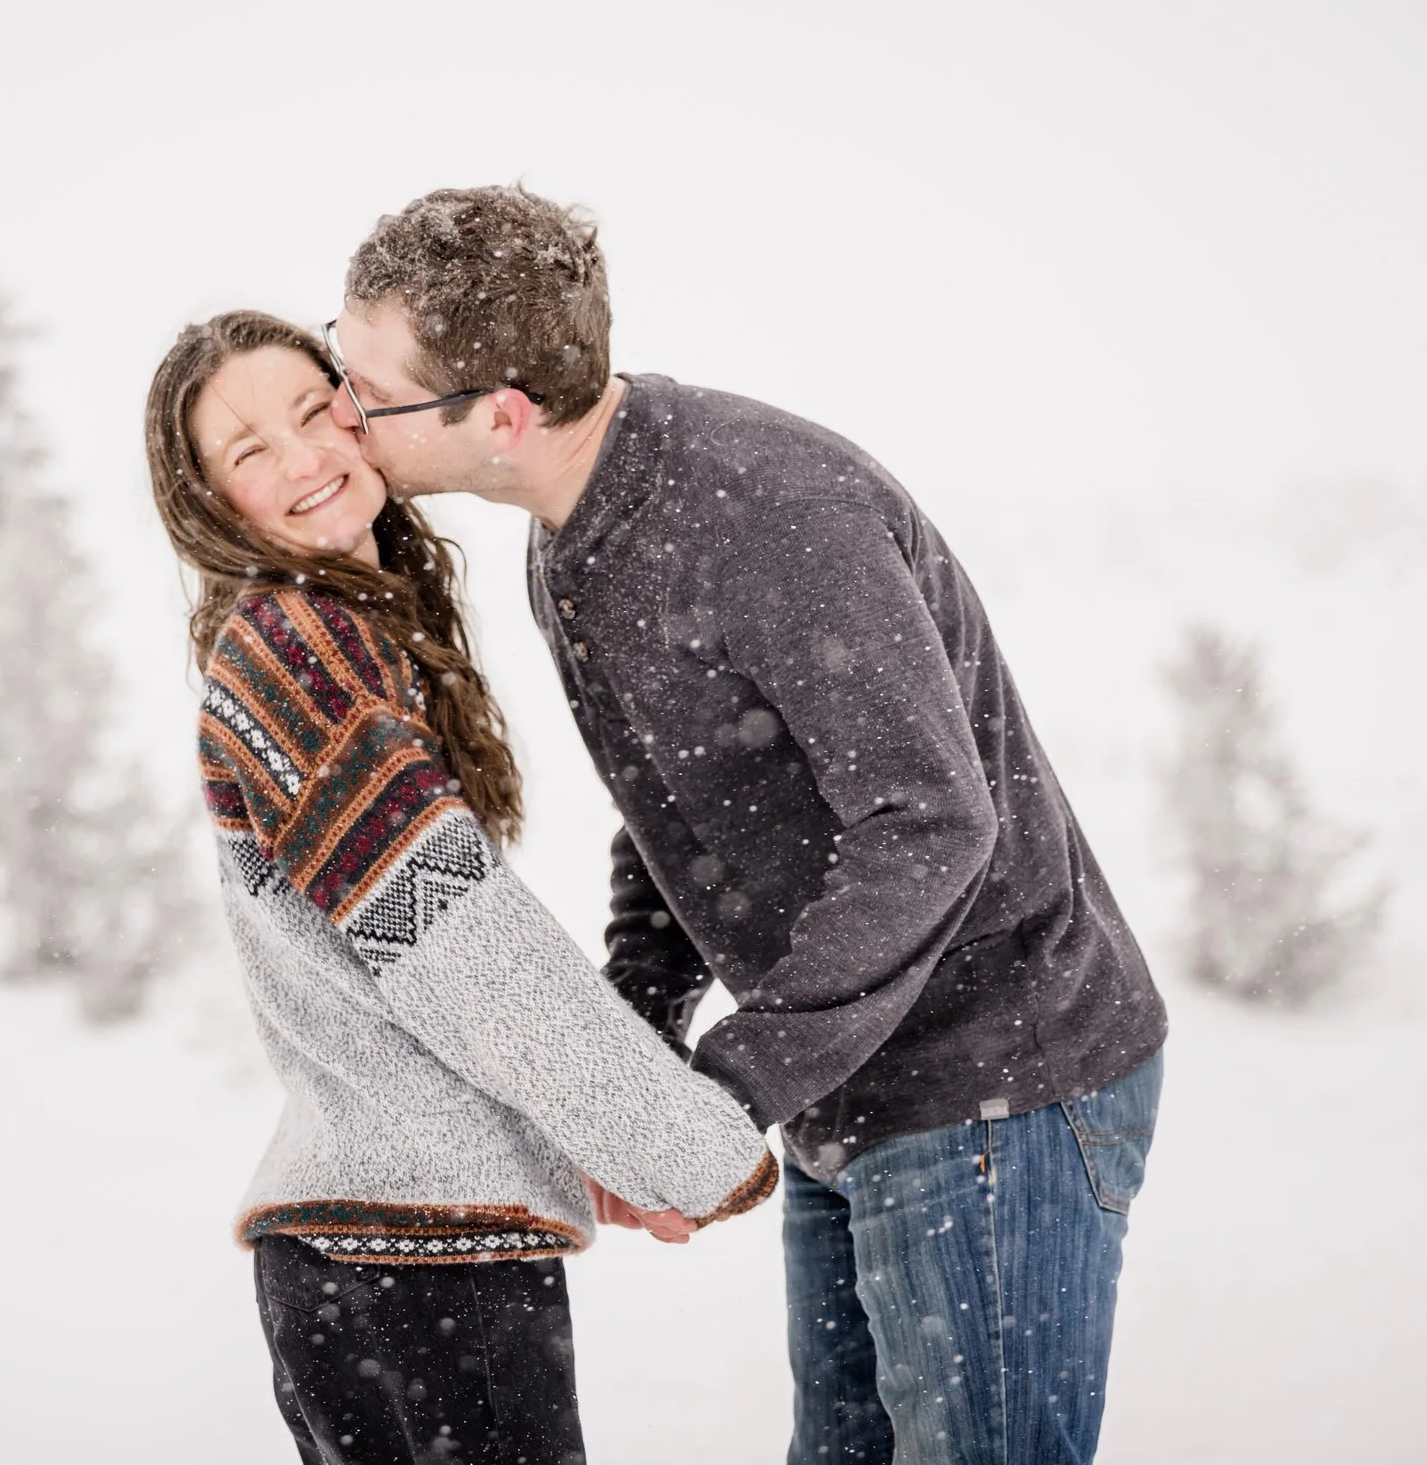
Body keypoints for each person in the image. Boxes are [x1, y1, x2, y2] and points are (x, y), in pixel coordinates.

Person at [322, 188, 1170, 1465]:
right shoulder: (573, 534)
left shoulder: (766, 514)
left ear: (500, 413)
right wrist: (640, 1048)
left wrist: (732, 1086)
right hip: (852, 1086)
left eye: (368, 391)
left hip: (994, 1089)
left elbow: (929, 820)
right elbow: (679, 810)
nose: (341, 412)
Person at [143, 309, 777, 1465]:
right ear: (209, 503)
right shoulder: (295, 650)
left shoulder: (336, 633)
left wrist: (586, 1132)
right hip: (413, 1262)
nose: (304, 456)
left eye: (314, 408)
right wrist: (681, 1144)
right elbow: (455, 943)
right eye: (249, 451)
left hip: (383, 1253)